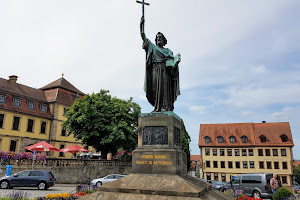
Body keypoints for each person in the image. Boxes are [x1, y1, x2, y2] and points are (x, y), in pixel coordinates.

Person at [140, 17, 181, 112]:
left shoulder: (168, 51)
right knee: (155, 89)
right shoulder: (152, 47)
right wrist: (141, 25)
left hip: (165, 72)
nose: (159, 39)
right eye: (157, 38)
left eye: (160, 38)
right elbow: (143, 36)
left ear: (164, 40)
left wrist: (176, 64)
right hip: (155, 70)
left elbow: (173, 70)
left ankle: (165, 107)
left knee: (164, 90)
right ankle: (157, 107)